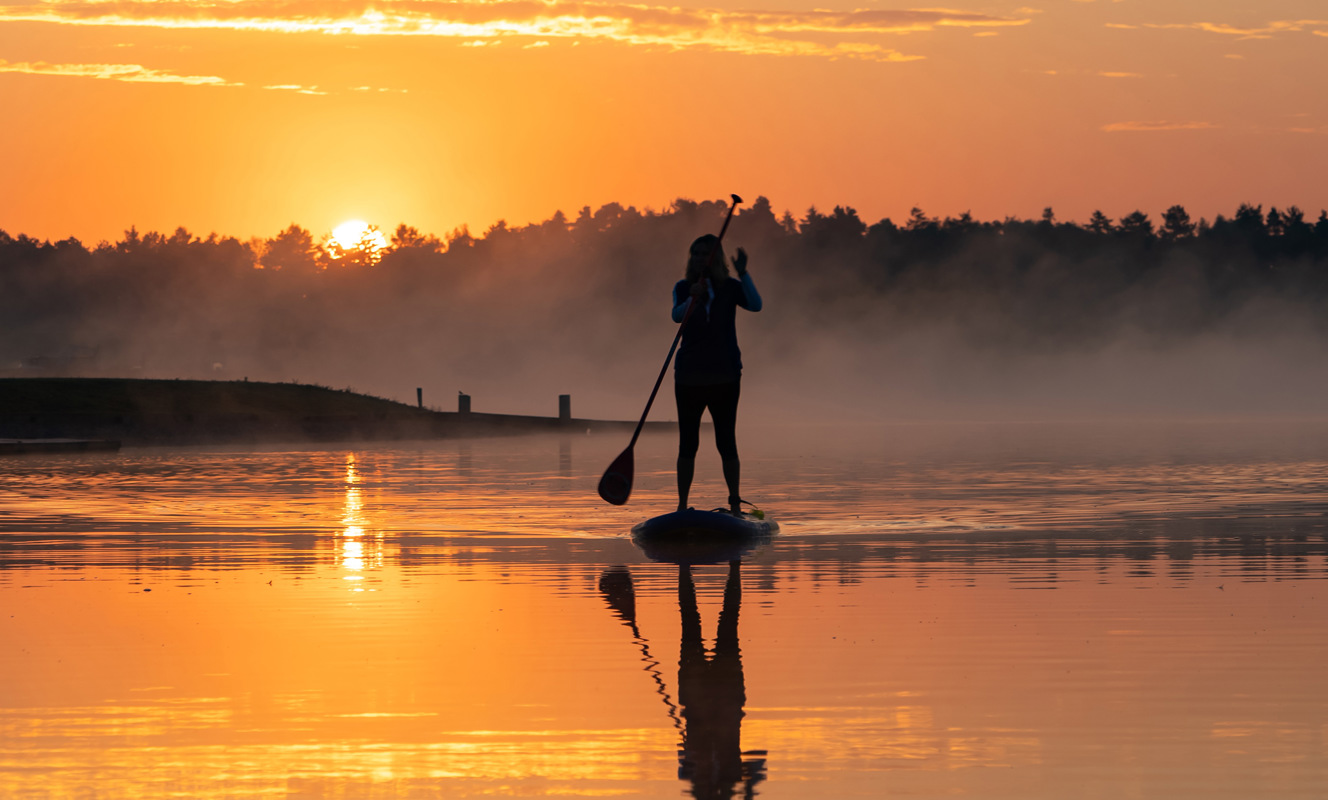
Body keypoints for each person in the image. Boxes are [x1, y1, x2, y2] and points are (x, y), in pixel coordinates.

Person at [672, 234, 762, 514]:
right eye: (696, 254)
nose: (700, 259)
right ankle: (682, 506)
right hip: (689, 377)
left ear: (716, 258)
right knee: (688, 442)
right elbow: (676, 315)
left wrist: (744, 273)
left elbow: (756, 304)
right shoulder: (684, 287)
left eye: (706, 254)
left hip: (725, 376)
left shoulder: (731, 287)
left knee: (726, 440)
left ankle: (734, 502)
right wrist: (692, 300)